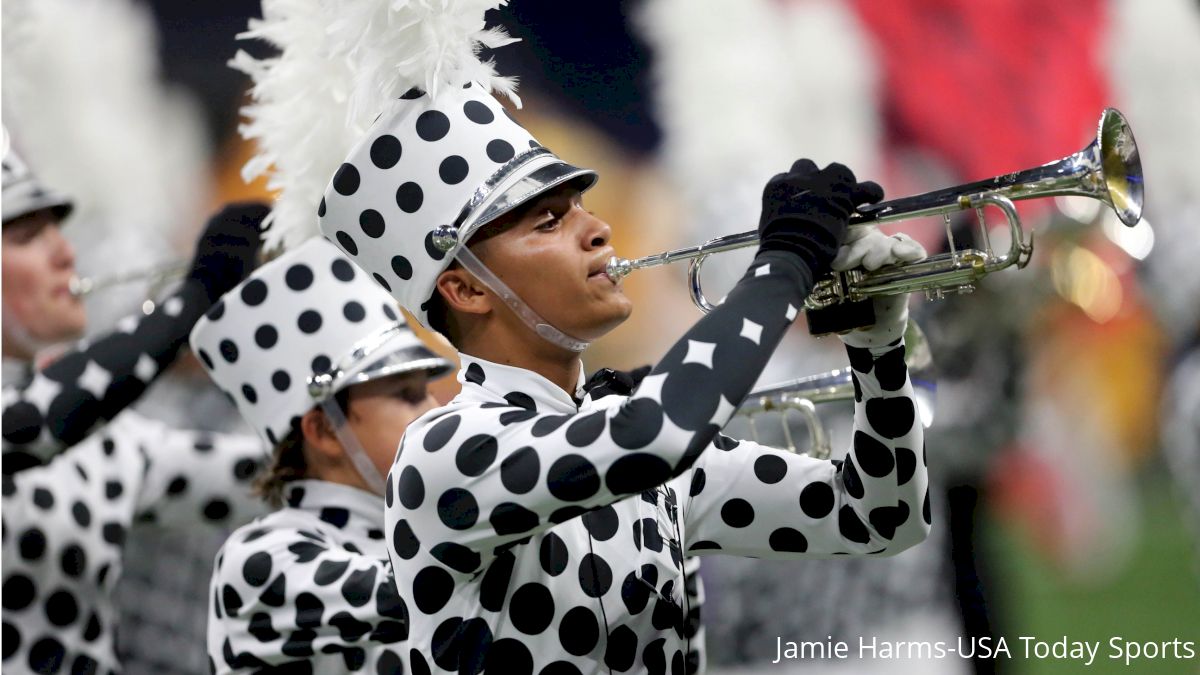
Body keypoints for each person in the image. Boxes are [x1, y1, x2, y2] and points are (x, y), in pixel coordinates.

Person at [318, 83, 931, 673]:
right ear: (466, 288)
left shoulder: (622, 436)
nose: (598, 228)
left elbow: (879, 517)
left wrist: (876, 347)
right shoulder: (446, 451)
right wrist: (786, 261)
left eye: (580, 205)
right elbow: (656, 435)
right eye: (548, 222)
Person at [1, 140, 269, 674]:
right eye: (29, 235)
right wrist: (194, 298)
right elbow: (30, 424)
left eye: (57, 227)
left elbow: (275, 475)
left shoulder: (105, 441)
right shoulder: (46, 419)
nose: (65, 251)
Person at [192, 238, 454, 672]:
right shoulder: (260, 556)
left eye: (428, 391)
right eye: (408, 396)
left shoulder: (426, 534)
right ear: (324, 430)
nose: (436, 411)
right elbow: (423, 592)